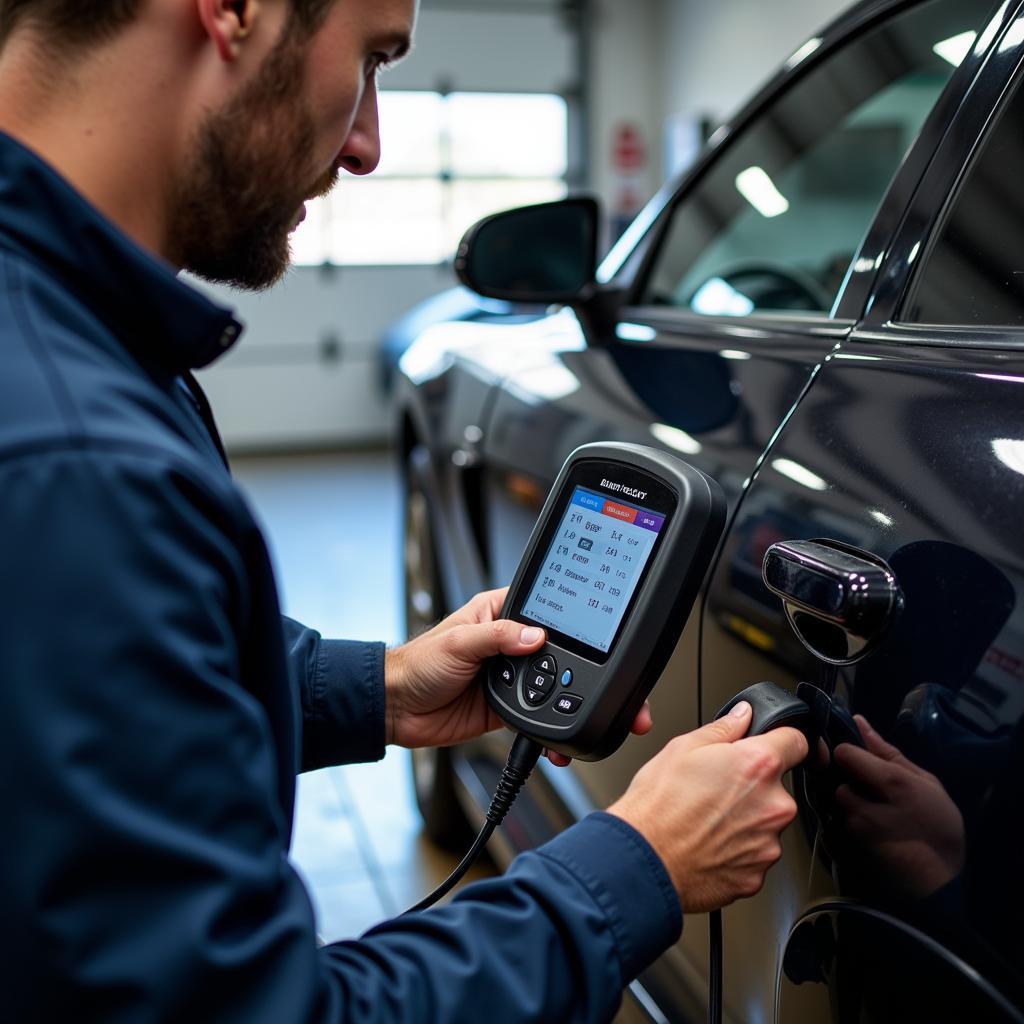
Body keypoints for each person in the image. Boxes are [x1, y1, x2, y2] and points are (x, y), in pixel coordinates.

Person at [0, 1, 808, 1020]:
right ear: (232, 11)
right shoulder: (76, 466)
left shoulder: (59, 354)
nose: (371, 144)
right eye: (373, 59)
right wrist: (634, 866)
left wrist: (372, 689)